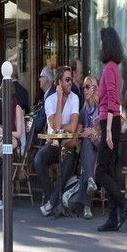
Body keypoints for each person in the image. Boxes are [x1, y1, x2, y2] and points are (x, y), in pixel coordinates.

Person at [95, 27, 127, 232]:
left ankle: (122, 202)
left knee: (100, 172)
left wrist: (107, 131)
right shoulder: (115, 67)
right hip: (112, 121)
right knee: (108, 170)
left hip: (110, 122)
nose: (99, 45)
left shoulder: (109, 68)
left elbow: (111, 102)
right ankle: (112, 217)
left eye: (101, 42)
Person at [34, 65, 79, 217]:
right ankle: (50, 198)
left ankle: (51, 203)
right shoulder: (50, 100)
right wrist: (59, 99)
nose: (70, 83)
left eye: (71, 79)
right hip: (53, 145)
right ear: (59, 83)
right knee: (38, 159)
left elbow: (72, 128)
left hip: (67, 145)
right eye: (66, 80)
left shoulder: (75, 98)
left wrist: (60, 127)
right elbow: (56, 126)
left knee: (67, 160)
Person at [77, 75, 100, 219]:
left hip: (102, 147)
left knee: (87, 166)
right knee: (85, 143)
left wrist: (94, 130)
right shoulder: (83, 110)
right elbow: (78, 130)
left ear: (94, 89)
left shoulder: (101, 107)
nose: (84, 90)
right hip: (89, 149)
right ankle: (90, 180)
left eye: (87, 86)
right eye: (83, 87)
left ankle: (86, 206)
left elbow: (110, 126)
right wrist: (83, 132)